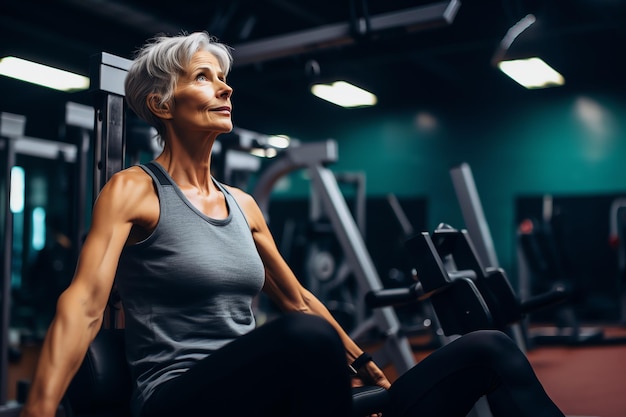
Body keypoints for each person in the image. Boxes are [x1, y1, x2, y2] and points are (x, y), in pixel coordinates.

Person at [20, 31, 565, 417]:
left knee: (487, 347)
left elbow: (301, 300)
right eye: (205, 78)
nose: (226, 88)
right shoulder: (134, 190)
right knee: (301, 340)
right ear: (161, 103)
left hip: (271, 386)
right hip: (180, 395)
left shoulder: (243, 204)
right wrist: (40, 409)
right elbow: (85, 304)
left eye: (224, 78)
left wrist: (367, 367)